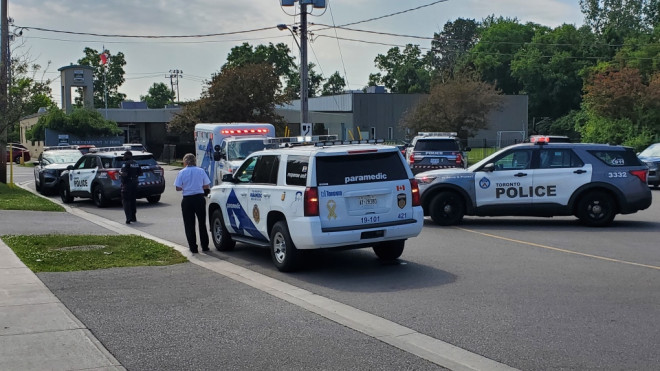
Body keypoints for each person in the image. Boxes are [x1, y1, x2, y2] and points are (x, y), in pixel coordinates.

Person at [174, 153, 211, 253]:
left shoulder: (181, 172)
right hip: (199, 198)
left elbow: (177, 187)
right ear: (195, 161)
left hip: (187, 199)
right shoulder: (201, 171)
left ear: (185, 162)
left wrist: (186, 187)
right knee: (202, 223)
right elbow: (206, 185)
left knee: (189, 224)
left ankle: (193, 247)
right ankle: (205, 246)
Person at [120, 151, 143, 224]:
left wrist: (120, 172)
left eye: (124, 155)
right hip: (135, 183)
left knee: (126, 201)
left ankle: (128, 218)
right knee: (133, 200)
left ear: (128, 155)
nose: (123, 157)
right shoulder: (136, 163)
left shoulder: (126, 163)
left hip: (127, 184)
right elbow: (141, 173)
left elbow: (124, 174)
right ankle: (133, 217)